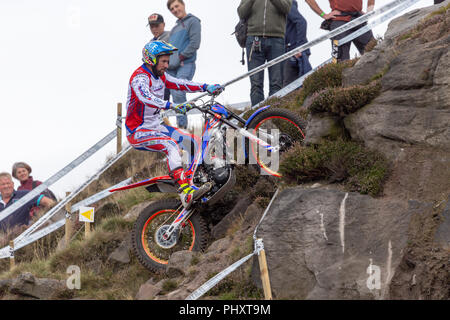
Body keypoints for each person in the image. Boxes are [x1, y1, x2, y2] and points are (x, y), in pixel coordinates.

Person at [125, 40, 224, 208]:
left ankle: (198, 180)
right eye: (163, 61)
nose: (166, 65)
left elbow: (181, 83)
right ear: (151, 60)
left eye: (167, 61)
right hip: (137, 131)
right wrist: (171, 105)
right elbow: (146, 97)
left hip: (156, 126)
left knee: (194, 142)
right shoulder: (139, 77)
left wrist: (206, 87)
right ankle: (185, 190)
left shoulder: (161, 76)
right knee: (170, 145)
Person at [238, 0, 293, 107]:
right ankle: (258, 119)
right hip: (253, 39)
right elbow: (241, 12)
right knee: (256, 85)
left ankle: (273, 117)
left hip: (277, 40)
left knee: (276, 84)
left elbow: (286, 8)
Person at [166, 0, 202, 129]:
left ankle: (182, 127)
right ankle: (169, 128)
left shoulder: (193, 21)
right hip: (171, 68)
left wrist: (180, 57)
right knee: (168, 94)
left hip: (186, 64)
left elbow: (195, 43)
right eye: (172, 9)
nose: (175, 10)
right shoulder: (174, 29)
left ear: (183, 4)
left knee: (178, 90)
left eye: (176, 6)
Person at [305, 0, 375, 61]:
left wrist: (369, 12)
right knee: (341, 60)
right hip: (340, 21)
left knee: (374, 52)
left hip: (359, 19)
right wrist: (324, 15)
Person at [283, 0, 312, 86]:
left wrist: (299, 47)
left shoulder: (287, 3)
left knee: (289, 87)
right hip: (288, 50)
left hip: (294, 51)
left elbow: (301, 22)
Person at [148, 13, 171, 101]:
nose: (154, 29)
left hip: (169, 73)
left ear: (163, 24)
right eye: (151, 26)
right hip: (156, 77)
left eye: (156, 26)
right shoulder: (151, 42)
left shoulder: (171, 36)